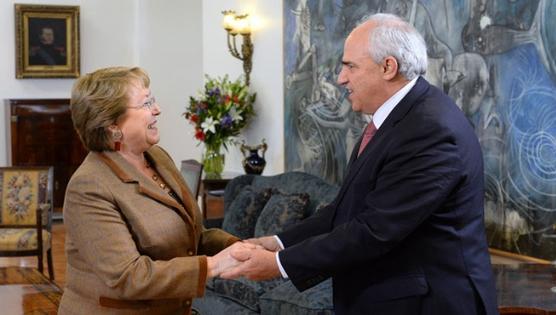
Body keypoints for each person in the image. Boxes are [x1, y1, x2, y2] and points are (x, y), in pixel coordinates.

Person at [222, 13, 498, 315]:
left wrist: (278, 265)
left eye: (350, 66)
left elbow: (374, 230)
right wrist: (276, 243)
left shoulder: (429, 129)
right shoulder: (396, 120)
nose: (341, 78)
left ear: (388, 67)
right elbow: (345, 212)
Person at [59, 66, 249, 315]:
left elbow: (190, 236)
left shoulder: (157, 157)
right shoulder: (89, 187)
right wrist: (213, 266)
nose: (157, 109)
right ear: (113, 125)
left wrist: (238, 247)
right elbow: (129, 277)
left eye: (153, 99)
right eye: (146, 103)